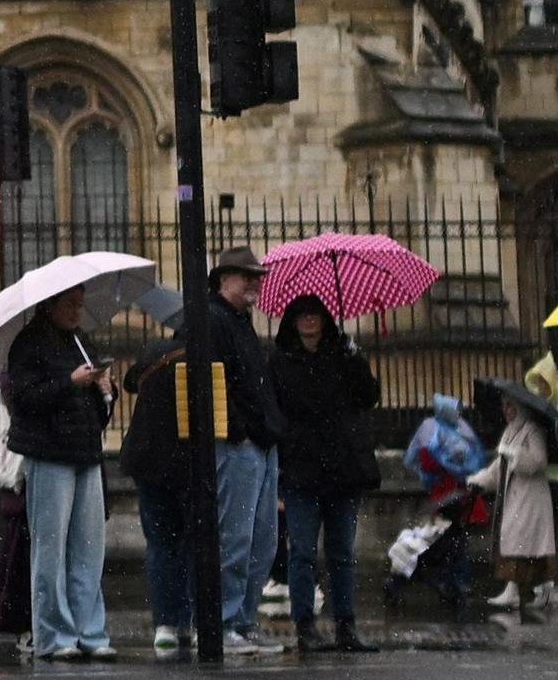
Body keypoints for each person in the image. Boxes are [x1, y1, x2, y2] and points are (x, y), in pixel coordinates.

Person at [4, 287, 116, 660]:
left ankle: (88, 630)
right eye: (70, 304)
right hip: (50, 453)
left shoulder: (79, 340)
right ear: (50, 304)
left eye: (80, 304)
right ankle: (55, 634)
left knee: (88, 546)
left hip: (85, 450)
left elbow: (93, 405)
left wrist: (105, 391)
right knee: (51, 549)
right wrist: (69, 382)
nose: (77, 311)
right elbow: (23, 398)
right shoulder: (29, 343)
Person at [267, 296, 379, 651]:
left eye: (315, 314)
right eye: (302, 315)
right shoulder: (280, 361)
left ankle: (346, 624)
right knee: (301, 551)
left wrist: (355, 357)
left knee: (342, 552)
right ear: (293, 321)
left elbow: (368, 396)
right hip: (302, 469)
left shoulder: (343, 356)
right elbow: (277, 413)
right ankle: (305, 626)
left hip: (342, 468)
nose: (309, 320)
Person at [201, 247, 287, 653]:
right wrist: (240, 432)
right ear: (222, 279)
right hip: (242, 446)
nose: (255, 282)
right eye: (245, 275)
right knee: (236, 540)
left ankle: (243, 619)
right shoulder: (214, 320)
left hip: (261, 444)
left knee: (262, 542)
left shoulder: (239, 321)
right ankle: (225, 622)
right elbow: (212, 383)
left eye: (258, 276)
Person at [117, 326, 197, 651]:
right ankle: (186, 619)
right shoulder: (198, 359)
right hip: (184, 461)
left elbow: (130, 383)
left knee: (161, 544)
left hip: (147, 459)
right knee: (190, 544)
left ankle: (165, 621)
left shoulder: (155, 353)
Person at [402, 392, 487, 612]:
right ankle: (454, 578)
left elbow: (420, 459)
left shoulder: (441, 429)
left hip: (449, 492)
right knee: (453, 537)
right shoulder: (447, 430)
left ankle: (451, 578)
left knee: (451, 537)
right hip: (452, 492)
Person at [473, 393, 553, 622]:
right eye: (504, 406)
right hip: (516, 496)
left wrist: (517, 455)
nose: (506, 410)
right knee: (522, 544)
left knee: (524, 543)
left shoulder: (532, 430)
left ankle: (516, 591)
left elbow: (539, 461)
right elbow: (499, 467)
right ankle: (532, 590)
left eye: (511, 406)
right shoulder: (509, 432)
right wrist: (479, 480)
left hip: (531, 498)